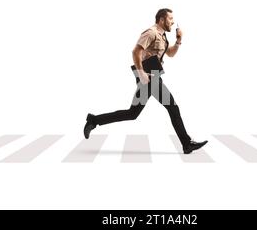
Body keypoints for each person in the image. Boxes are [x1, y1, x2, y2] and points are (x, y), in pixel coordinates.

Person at [83, 8, 207, 154]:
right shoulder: (151, 33)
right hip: (149, 75)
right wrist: (141, 73)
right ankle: (187, 144)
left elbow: (171, 54)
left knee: (132, 113)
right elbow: (136, 51)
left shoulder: (162, 36)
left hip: (153, 76)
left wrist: (179, 41)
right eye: (170, 19)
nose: (172, 22)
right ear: (161, 19)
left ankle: (93, 120)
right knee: (173, 107)